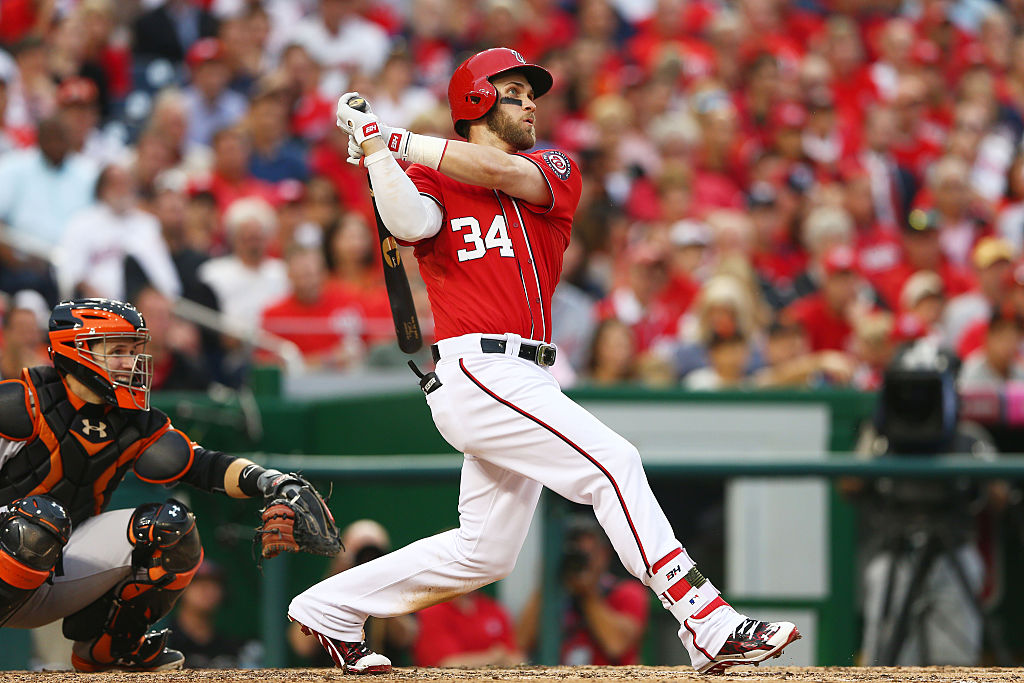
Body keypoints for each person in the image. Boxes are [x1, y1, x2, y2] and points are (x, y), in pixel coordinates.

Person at [288, 47, 800, 674]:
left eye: (532, 94)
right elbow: (410, 222)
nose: (531, 104)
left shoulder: (553, 166)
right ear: (476, 100)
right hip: (479, 368)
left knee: (485, 553)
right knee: (614, 463)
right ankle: (708, 621)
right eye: (515, 92)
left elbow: (498, 172)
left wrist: (392, 138)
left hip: (526, 372)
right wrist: (376, 155)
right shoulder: (432, 178)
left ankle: (331, 607)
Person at [0, 297, 336, 672]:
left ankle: (109, 648)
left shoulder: (133, 420)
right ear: (76, 349)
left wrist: (273, 482)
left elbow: (202, 465)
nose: (130, 362)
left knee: (173, 527)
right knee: (39, 521)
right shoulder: (21, 402)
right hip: (11, 549)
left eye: (132, 351)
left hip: (54, 569)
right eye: (117, 351)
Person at [517, 517, 648, 665]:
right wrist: (547, 581)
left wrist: (587, 594)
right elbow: (521, 644)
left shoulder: (626, 592)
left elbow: (616, 645)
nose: (579, 563)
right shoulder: (555, 596)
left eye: (586, 555)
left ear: (604, 554)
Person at [287, 520, 417, 667]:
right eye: (360, 553)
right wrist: (337, 579)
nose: (366, 561)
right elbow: (302, 647)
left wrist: (382, 587)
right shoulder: (325, 593)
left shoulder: (397, 594)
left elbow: (406, 638)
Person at [165, 560, 261, 669]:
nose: (209, 590)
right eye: (199, 583)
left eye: (215, 584)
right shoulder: (164, 641)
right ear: (181, 589)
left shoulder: (232, 648)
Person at [415, 589, 522, 667]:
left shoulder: (494, 609)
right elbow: (447, 665)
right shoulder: (432, 611)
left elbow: (518, 659)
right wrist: (493, 658)